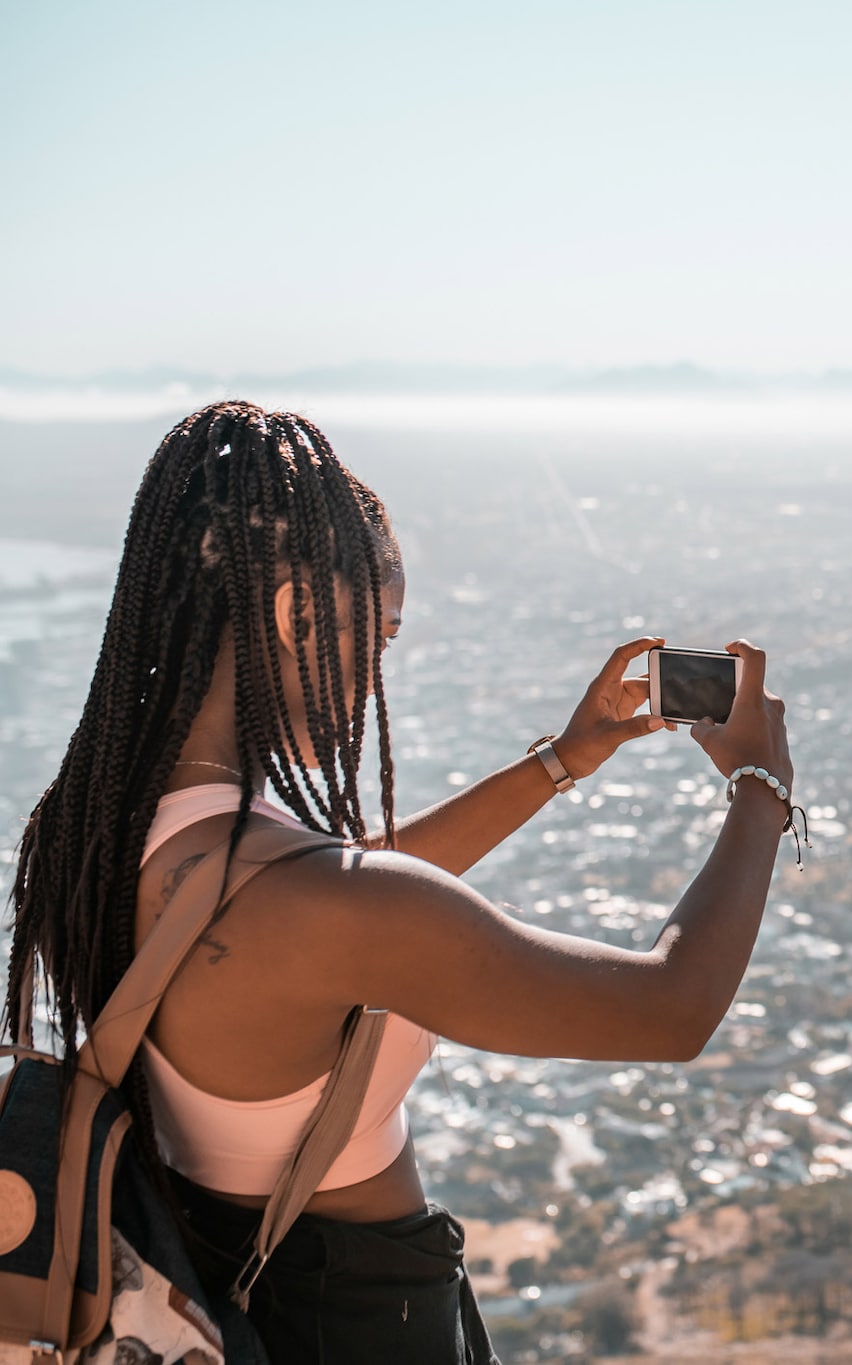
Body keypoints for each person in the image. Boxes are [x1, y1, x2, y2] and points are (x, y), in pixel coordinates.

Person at [4, 400, 796, 1363]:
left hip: (219, 1281)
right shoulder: (317, 905)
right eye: (374, 640)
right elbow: (671, 1010)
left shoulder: (103, 831)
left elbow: (351, 893)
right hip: (356, 1318)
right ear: (296, 613)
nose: (374, 679)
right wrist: (761, 790)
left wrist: (560, 762)